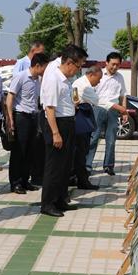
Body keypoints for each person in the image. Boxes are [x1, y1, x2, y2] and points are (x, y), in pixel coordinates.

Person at [40, 46, 84, 217]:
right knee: (54, 167)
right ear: (69, 63)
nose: (79, 70)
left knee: (64, 166)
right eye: (78, 66)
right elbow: (49, 108)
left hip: (67, 122)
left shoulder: (65, 79)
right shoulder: (54, 78)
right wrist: (55, 133)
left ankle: (59, 200)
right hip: (57, 125)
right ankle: (47, 204)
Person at [6, 52, 49, 194]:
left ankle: (25, 180)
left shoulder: (38, 80)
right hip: (21, 117)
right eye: (44, 67)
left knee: (30, 151)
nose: (45, 71)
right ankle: (15, 182)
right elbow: (10, 98)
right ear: (37, 65)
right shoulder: (21, 76)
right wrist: (10, 119)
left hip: (33, 117)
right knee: (19, 151)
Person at [87, 52, 129, 176]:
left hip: (113, 110)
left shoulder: (120, 77)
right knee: (93, 138)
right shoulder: (99, 75)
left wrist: (124, 111)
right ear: (106, 63)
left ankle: (109, 166)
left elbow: (123, 95)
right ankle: (87, 166)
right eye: (113, 64)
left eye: (118, 65)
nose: (115, 67)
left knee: (111, 139)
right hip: (98, 108)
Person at [71, 65, 103, 190]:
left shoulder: (78, 82)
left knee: (79, 151)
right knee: (81, 151)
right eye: (98, 79)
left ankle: (74, 177)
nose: (99, 82)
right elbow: (97, 100)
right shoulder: (84, 86)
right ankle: (82, 181)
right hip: (81, 119)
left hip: (81, 117)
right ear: (91, 75)